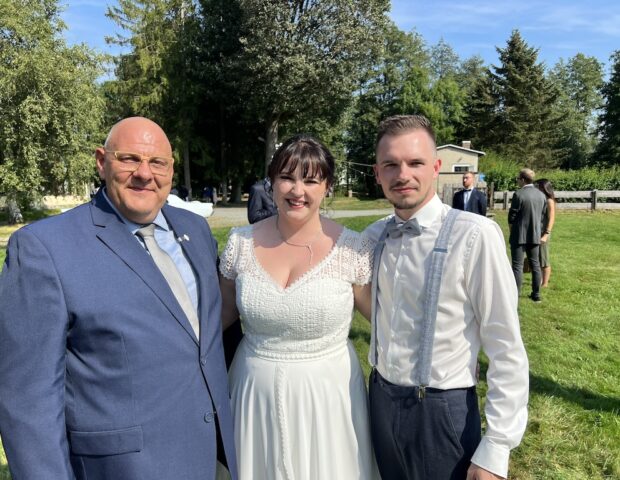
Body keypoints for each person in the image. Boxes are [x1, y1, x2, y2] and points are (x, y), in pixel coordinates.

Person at [0, 117, 237, 480]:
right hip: (122, 468)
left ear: (171, 169)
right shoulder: (45, 248)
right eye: (129, 159)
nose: (144, 173)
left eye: (157, 162)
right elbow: (27, 401)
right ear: (101, 161)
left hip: (212, 457)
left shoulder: (195, 231)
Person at [363, 115, 528, 480]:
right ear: (377, 173)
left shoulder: (474, 236)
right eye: (391, 164)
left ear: (436, 167)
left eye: (415, 162)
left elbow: (505, 343)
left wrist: (497, 447)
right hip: (379, 401)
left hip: (441, 412)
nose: (402, 174)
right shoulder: (373, 237)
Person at [219, 134, 379, 479]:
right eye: (287, 177)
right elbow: (219, 318)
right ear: (272, 182)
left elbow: (387, 320)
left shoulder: (352, 249)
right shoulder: (239, 244)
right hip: (253, 395)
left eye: (310, 180)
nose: (297, 191)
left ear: (327, 187)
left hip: (328, 398)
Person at [508, 168, 547, 302]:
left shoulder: (518, 194)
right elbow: (542, 216)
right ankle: (536, 295)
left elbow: (512, 216)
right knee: (535, 265)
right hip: (535, 234)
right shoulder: (541, 195)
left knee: (517, 266)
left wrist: (511, 230)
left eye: (518, 179)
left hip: (519, 234)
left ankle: (515, 295)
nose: (517, 181)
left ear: (523, 180)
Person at [536, 178, 556, 287]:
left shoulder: (549, 201)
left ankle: (545, 284)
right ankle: (539, 281)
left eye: (537, 186)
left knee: (544, 259)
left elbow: (552, 219)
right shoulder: (541, 199)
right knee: (538, 258)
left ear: (543, 188)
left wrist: (546, 234)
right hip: (538, 232)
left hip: (544, 233)